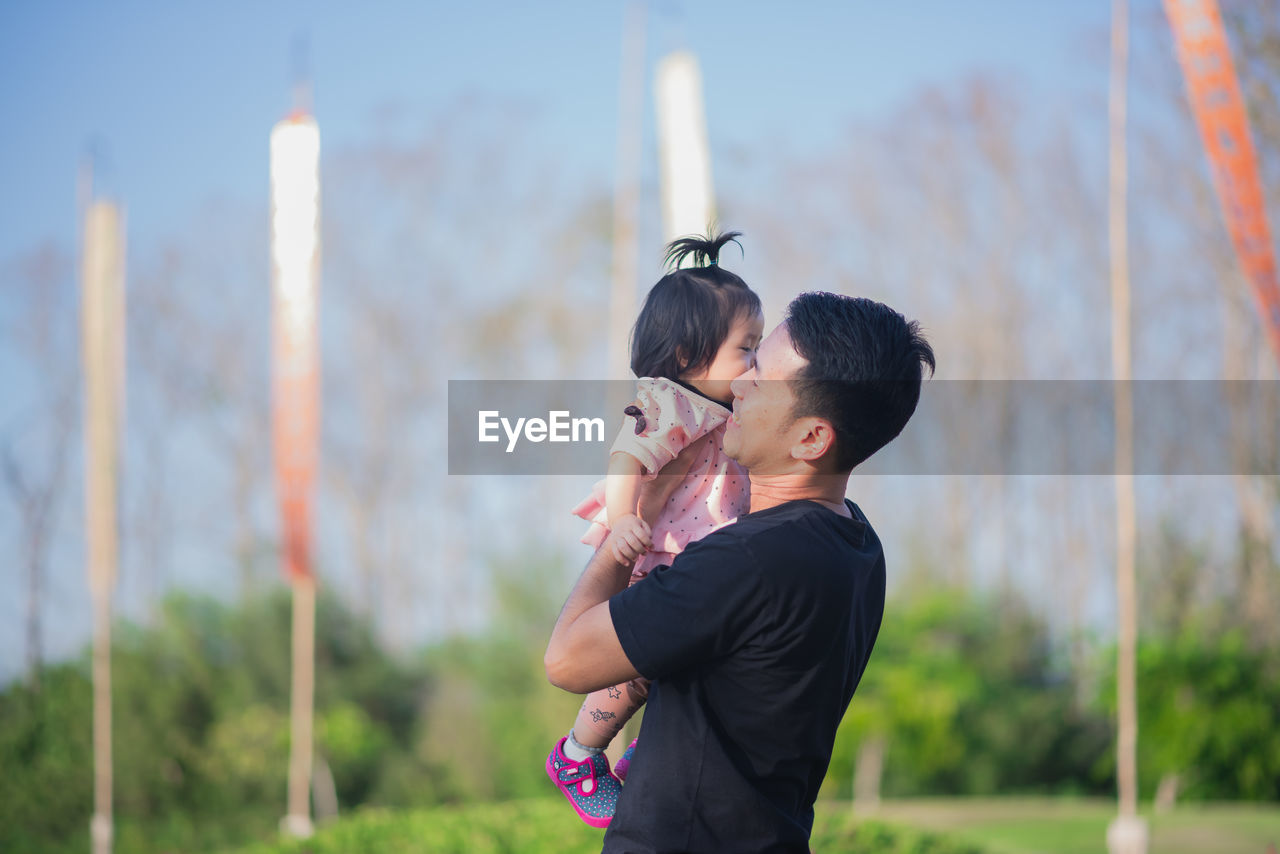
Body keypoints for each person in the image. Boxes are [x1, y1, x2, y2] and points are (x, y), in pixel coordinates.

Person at [545, 290, 935, 853]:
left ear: (811, 438)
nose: (741, 384)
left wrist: (635, 522)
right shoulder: (858, 546)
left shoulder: (746, 559)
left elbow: (566, 659)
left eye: (763, 377)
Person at [546, 231, 765, 828]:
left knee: (701, 660)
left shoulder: (727, 407)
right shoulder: (671, 402)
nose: (755, 364)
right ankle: (578, 755)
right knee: (640, 667)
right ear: (690, 358)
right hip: (663, 552)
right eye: (746, 349)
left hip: (701, 558)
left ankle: (656, 748)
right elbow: (627, 460)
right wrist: (622, 522)